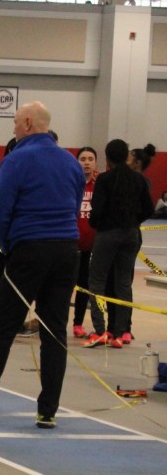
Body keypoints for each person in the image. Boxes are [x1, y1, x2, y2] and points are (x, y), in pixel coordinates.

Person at [0, 100, 83, 429]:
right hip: (67, 250)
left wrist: (9, 247)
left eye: (14, 121)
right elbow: (74, 205)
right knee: (54, 330)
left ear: (26, 123)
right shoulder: (71, 162)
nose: (12, 127)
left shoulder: (17, 159)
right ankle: (48, 410)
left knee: (3, 328)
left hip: (29, 249)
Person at [85, 139, 154, 349]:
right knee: (123, 283)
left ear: (107, 158)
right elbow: (149, 209)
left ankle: (100, 331)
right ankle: (120, 333)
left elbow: (97, 209)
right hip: (130, 234)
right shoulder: (138, 179)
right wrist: (133, 221)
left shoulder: (104, 179)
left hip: (108, 234)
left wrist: (97, 224)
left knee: (97, 281)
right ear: (126, 157)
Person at [72, 146, 100, 340]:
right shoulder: (71, 181)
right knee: (64, 285)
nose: (87, 163)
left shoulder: (100, 184)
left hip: (92, 246)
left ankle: (78, 324)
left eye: (90, 159)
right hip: (71, 243)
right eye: (83, 159)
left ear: (96, 163)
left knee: (84, 286)